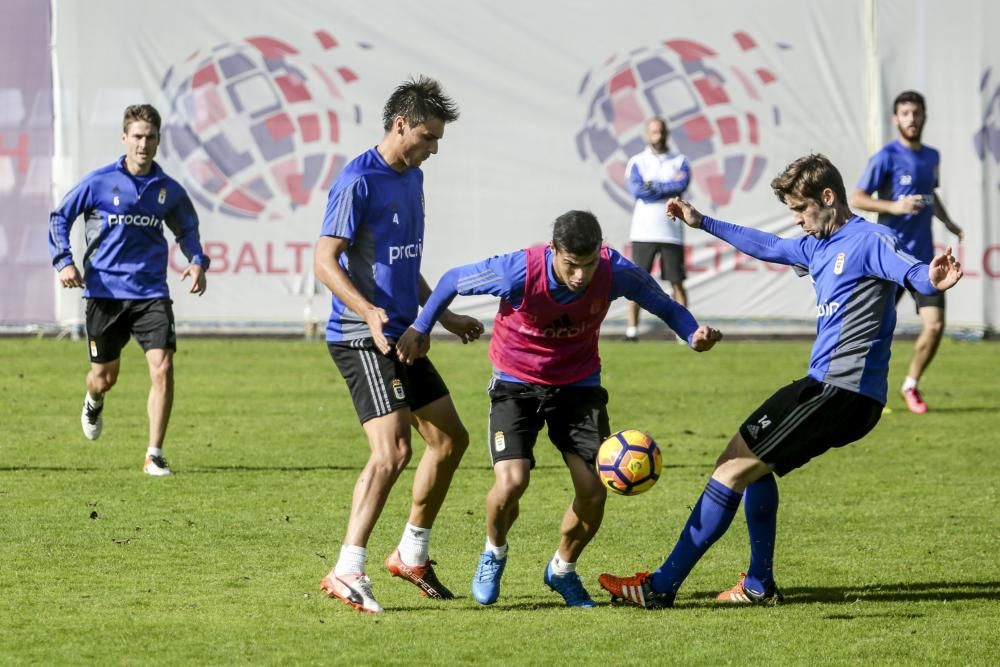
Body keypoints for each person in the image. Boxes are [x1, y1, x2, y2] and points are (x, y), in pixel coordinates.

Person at [598, 154, 963, 609]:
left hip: (840, 391)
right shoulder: (818, 246)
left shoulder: (871, 238)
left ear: (828, 198)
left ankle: (659, 588)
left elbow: (910, 271)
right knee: (748, 460)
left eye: (801, 209)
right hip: (824, 386)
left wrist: (931, 275)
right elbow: (767, 245)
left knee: (731, 469)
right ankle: (757, 584)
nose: (797, 221)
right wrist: (701, 221)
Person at [395, 210, 722, 608]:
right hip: (516, 384)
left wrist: (692, 333)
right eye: (571, 264)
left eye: (588, 264)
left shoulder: (614, 270)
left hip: (579, 387)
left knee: (593, 491)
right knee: (512, 482)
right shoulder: (518, 271)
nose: (581, 275)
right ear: (554, 250)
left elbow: (662, 303)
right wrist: (422, 327)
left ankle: (562, 569)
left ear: (598, 254)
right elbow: (451, 281)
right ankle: (494, 552)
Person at [315, 76, 484, 614]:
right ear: (400, 125)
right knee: (392, 452)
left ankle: (411, 551)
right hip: (362, 337)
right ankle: (346, 569)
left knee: (451, 440)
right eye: (428, 137)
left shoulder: (411, 179)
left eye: (438, 140)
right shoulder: (356, 181)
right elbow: (324, 260)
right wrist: (369, 313)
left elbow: (403, 262)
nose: (433, 149)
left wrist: (446, 315)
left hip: (406, 334)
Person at [47, 104, 210, 477]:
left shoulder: (166, 189)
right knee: (105, 376)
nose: (143, 144)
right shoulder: (99, 182)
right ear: (124, 138)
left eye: (150, 137)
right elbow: (60, 217)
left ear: (158, 140)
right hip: (104, 293)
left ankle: (154, 454)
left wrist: (197, 260)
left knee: (163, 367)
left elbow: (187, 230)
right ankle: (94, 398)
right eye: (137, 136)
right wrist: (64, 261)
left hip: (151, 292)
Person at [849, 90, 964, 413]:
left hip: (926, 261)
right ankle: (857, 389)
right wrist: (894, 206)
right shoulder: (885, 157)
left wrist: (949, 222)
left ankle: (910, 384)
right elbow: (857, 197)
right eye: (904, 113)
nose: (911, 119)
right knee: (870, 329)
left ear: (924, 115)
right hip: (890, 258)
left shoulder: (931, 157)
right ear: (895, 118)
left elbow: (930, 195)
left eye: (916, 113)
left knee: (935, 325)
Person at [623, 117, 691, 341]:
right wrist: (665, 188)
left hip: (671, 232)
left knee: (676, 282)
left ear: (667, 133)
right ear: (647, 134)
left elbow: (680, 186)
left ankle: (685, 332)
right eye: (654, 132)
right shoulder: (636, 161)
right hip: (643, 231)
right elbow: (637, 191)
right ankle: (632, 331)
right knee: (636, 281)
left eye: (661, 132)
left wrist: (652, 185)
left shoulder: (680, 160)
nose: (658, 136)